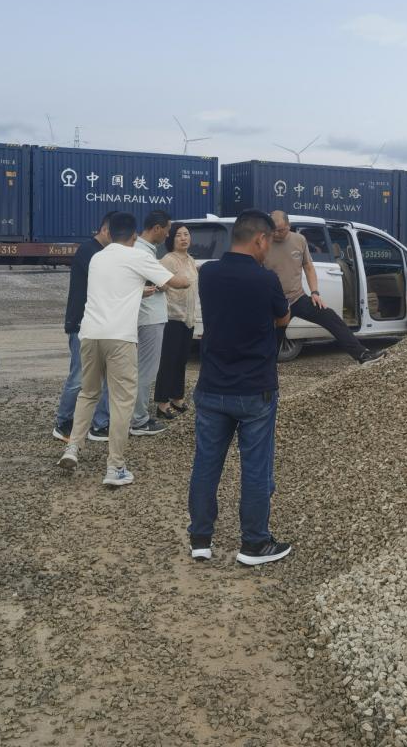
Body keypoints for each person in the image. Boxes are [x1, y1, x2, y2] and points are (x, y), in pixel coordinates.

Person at [187, 209, 293, 566]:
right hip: (255, 389)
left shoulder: (208, 273)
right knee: (256, 468)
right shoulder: (266, 280)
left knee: (206, 464)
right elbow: (283, 316)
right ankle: (254, 544)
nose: (269, 250)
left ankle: (200, 539)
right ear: (260, 239)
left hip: (212, 386)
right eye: (269, 243)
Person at [57, 212, 190, 486]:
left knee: (88, 393)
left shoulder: (98, 257)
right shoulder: (137, 256)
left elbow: (115, 290)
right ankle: (115, 467)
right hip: (119, 338)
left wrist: (138, 289)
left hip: (89, 334)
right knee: (121, 401)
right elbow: (177, 283)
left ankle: (73, 448)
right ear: (133, 235)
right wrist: (188, 274)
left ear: (109, 231)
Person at [265, 210, 384, 364]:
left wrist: (315, 292)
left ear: (289, 226)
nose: (276, 234)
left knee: (330, 317)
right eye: (273, 230)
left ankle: (362, 354)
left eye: (280, 230)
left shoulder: (299, 240)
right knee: (273, 343)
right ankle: (266, 370)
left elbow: (308, 267)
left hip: (297, 298)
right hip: (274, 303)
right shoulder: (263, 242)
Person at [51, 211, 116, 443]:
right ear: (105, 230)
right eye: (116, 234)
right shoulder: (89, 251)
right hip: (81, 323)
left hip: (99, 324)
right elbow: (107, 282)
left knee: (102, 377)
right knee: (80, 376)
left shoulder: (101, 251)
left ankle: (99, 424)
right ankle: (63, 422)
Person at [129, 210, 173, 437]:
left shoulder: (140, 249)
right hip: (149, 318)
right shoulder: (142, 252)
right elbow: (166, 283)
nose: (168, 234)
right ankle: (138, 420)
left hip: (144, 317)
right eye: (167, 229)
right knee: (145, 370)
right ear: (157, 228)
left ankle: (133, 416)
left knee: (138, 369)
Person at [154, 224, 200, 419]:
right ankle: (162, 403)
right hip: (172, 316)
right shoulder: (168, 260)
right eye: (179, 235)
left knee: (181, 360)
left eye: (186, 234)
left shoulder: (190, 260)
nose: (183, 238)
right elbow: (159, 283)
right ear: (171, 239)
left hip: (188, 317)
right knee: (168, 361)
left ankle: (177, 397)